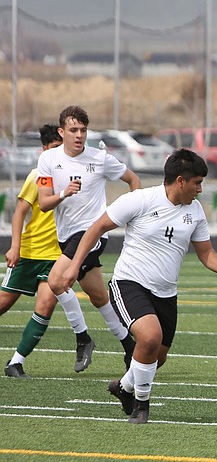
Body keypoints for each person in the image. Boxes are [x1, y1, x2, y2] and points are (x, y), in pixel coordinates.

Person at [51, 149, 217, 424]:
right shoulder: (141, 200)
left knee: (157, 357)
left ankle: (124, 387)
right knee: (148, 338)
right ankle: (141, 406)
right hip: (129, 283)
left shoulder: (194, 211)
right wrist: (74, 266)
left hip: (166, 292)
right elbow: (96, 228)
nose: (200, 189)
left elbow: (206, 252)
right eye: (197, 183)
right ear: (180, 181)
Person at [37, 105, 141, 369]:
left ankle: (83, 338)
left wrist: (133, 213)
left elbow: (133, 180)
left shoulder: (100, 158)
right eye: (73, 130)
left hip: (92, 232)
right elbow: (43, 204)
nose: (79, 135)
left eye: (83, 130)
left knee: (56, 281)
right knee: (98, 297)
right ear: (62, 132)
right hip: (66, 235)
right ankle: (130, 346)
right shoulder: (48, 159)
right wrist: (63, 194)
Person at [3, 124, 96, 378]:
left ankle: (15, 363)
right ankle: (83, 336)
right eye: (54, 149)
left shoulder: (75, 174)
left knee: (45, 305)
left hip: (56, 255)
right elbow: (20, 212)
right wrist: (15, 246)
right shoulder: (38, 175)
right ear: (44, 150)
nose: (59, 154)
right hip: (30, 252)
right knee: (3, 303)